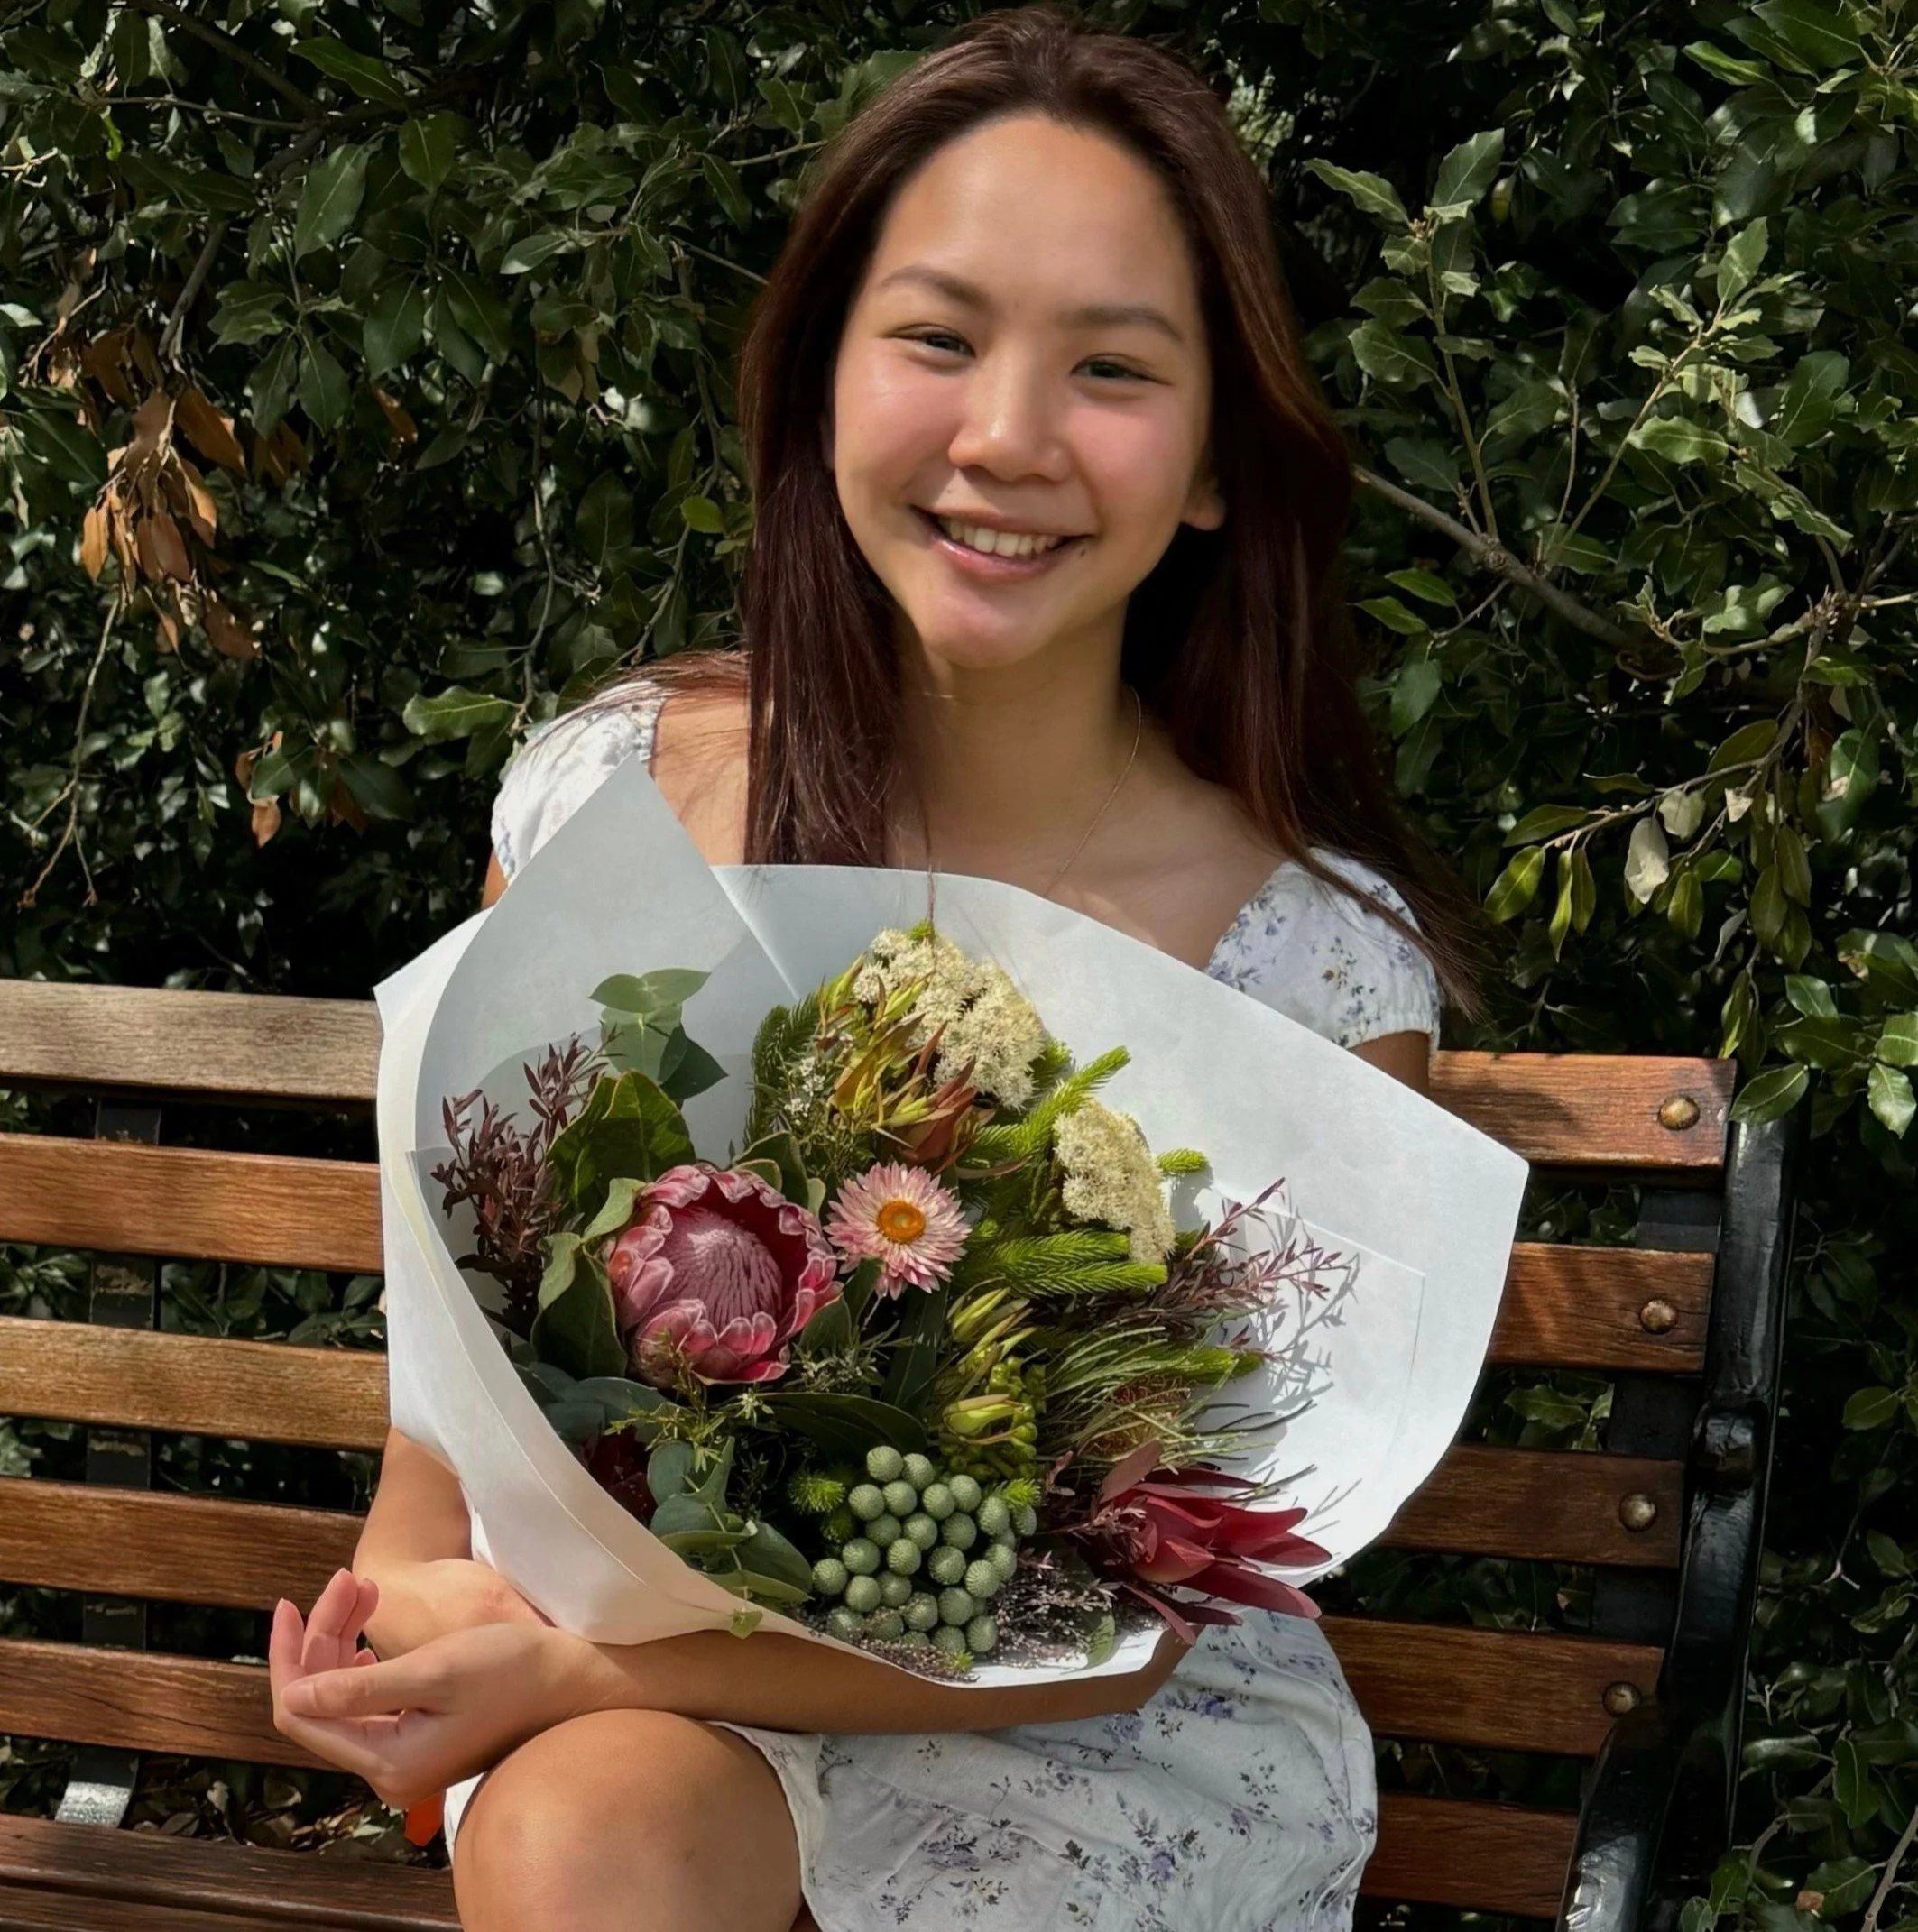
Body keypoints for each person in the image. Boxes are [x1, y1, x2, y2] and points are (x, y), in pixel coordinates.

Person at [269, 8, 1480, 1928]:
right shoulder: (615, 798)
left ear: (1216, 465)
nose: (1005, 436)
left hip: (1074, 1741)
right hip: (641, 1693)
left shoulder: (1306, 970)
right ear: (820, 376)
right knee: (590, 1825)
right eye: (937, 338)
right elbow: (460, 1359)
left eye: (1110, 367)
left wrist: (570, 1660)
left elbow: (1132, 1626)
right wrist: (406, 1612)